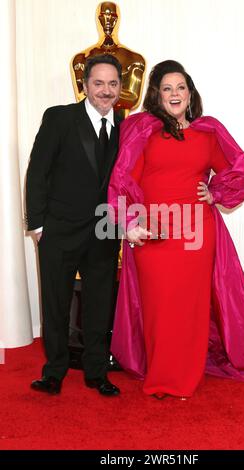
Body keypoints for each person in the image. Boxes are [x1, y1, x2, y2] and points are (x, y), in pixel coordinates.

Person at [108, 60, 244, 399]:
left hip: (196, 233)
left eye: (180, 87)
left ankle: (184, 376)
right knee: (158, 305)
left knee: (190, 308)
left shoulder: (207, 132)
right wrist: (128, 223)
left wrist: (216, 193)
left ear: (190, 93)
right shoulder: (144, 129)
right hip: (153, 230)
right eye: (167, 88)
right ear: (156, 94)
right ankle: (161, 375)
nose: (174, 94)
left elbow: (241, 169)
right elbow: (124, 178)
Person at [26, 54, 123, 396]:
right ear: (84, 86)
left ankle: (97, 372)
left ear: (121, 87)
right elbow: (38, 171)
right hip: (60, 230)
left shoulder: (126, 124)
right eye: (98, 83)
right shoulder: (60, 118)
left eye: (112, 83)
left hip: (105, 232)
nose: (105, 90)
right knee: (56, 302)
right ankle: (54, 371)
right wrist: (37, 225)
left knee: (99, 304)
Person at [71, 1, 146, 118]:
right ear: (97, 19)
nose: (108, 21)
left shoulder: (134, 59)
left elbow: (133, 99)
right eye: (103, 16)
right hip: (88, 127)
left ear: (118, 19)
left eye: (112, 16)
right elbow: (82, 96)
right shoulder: (81, 59)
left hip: (122, 127)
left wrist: (97, 91)